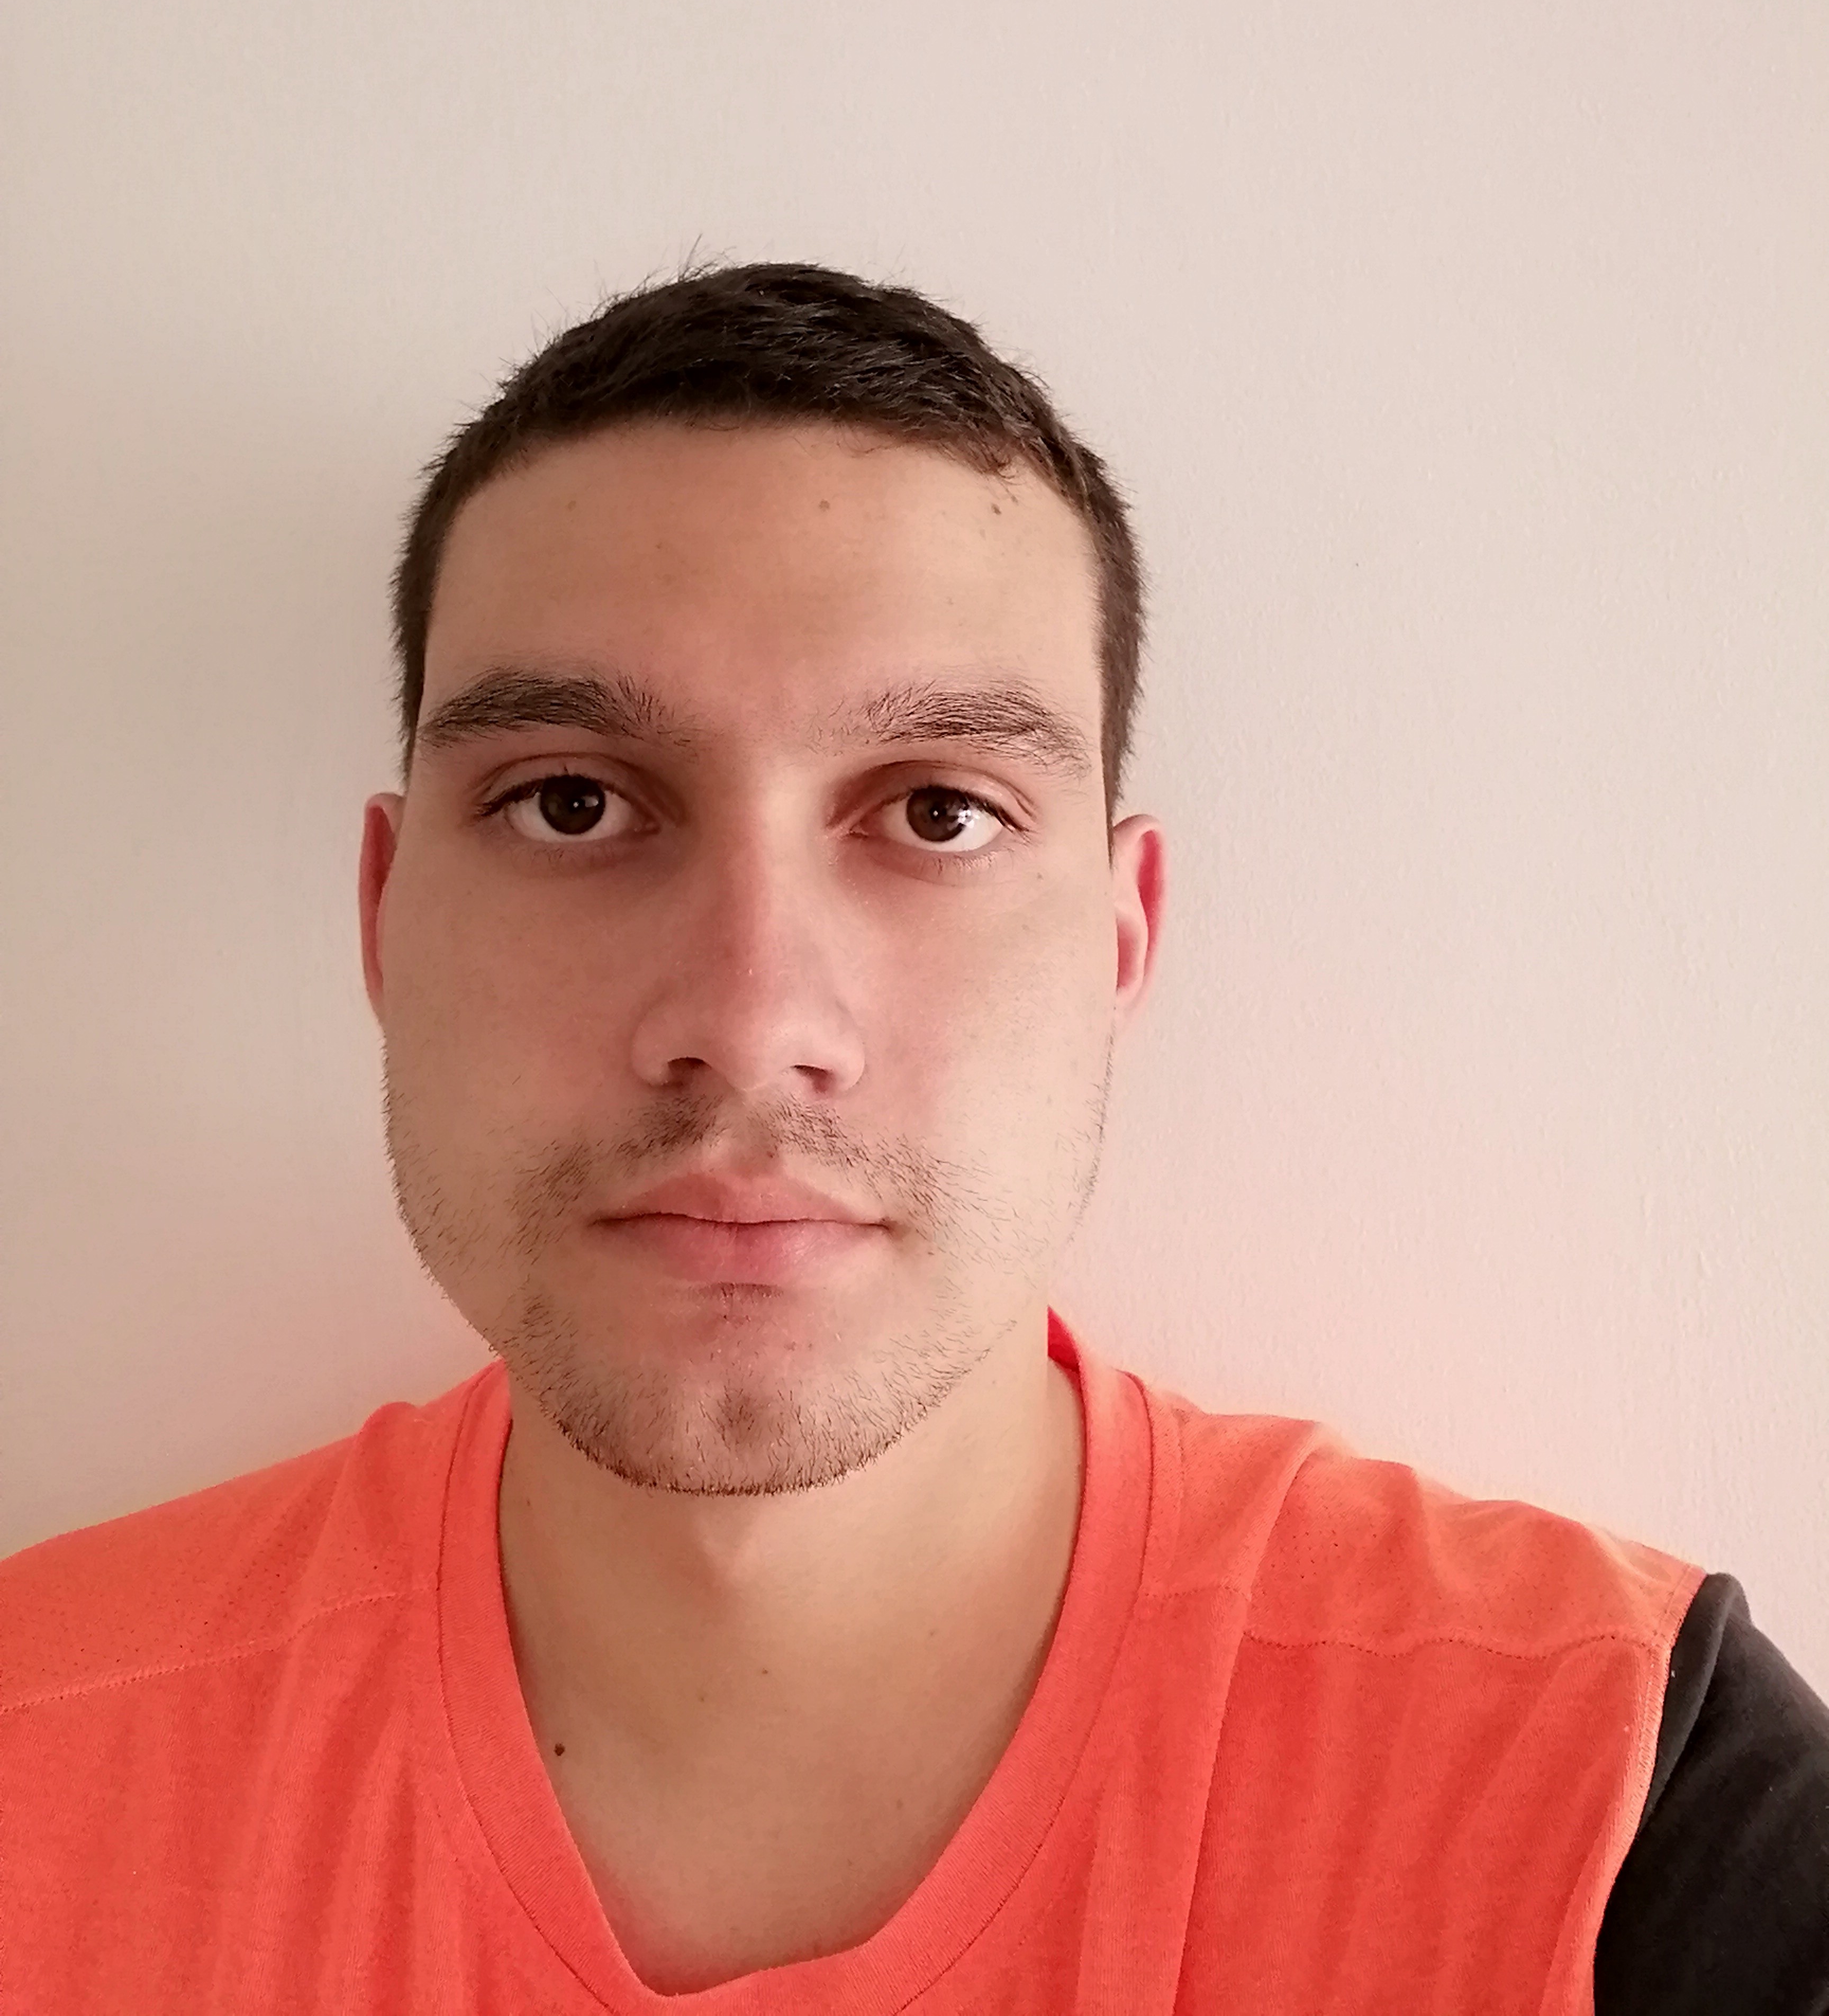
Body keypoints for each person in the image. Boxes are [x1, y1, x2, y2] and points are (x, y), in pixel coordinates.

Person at [3, 262, 1825, 2013]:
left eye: (939, 812)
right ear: (388, 917)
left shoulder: (1616, 1800)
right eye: (570, 804)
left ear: (1121, 943)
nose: (749, 1018)